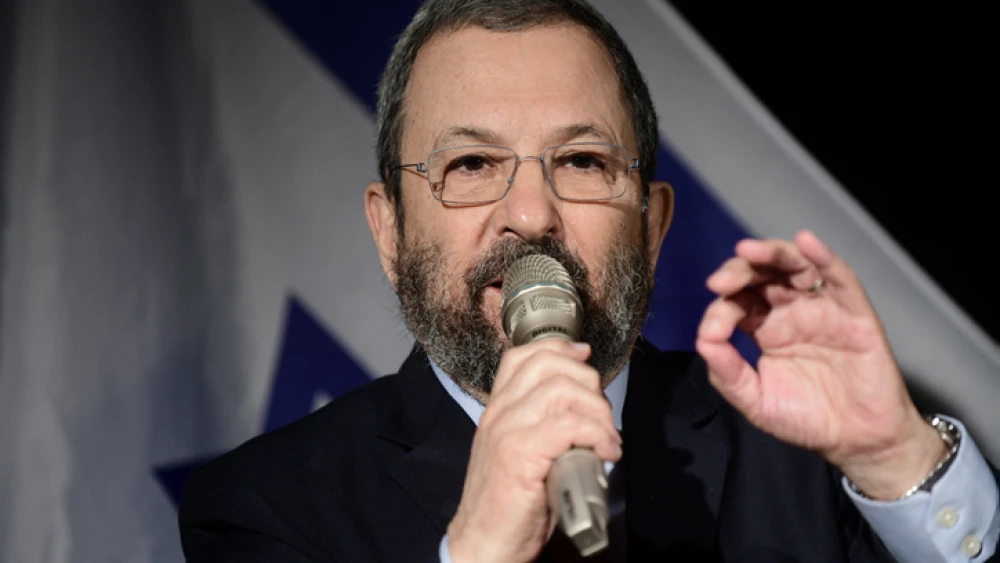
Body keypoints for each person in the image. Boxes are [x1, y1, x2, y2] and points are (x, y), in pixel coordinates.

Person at [178, 0, 999, 561]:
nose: (530, 215)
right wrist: (477, 549)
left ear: (651, 222)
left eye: (580, 160)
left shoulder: (798, 454)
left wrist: (896, 460)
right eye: (471, 163)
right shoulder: (267, 508)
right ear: (389, 230)